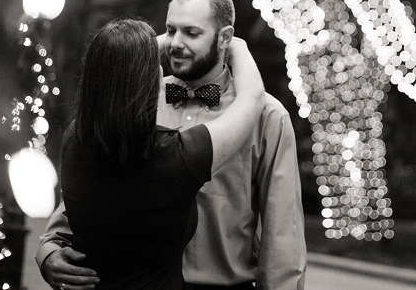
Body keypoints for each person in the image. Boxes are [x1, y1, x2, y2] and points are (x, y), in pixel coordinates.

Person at [37, 0, 307, 290]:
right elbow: (90, 190)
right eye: (171, 30)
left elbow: (283, 233)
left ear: (225, 39)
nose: (176, 43)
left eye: (191, 33)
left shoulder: (267, 117)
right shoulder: (132, 101)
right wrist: (49, 249)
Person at [56, 18, 265, 290]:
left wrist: (143, 46)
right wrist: (235, 45)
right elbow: (252, 99)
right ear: (154, 81)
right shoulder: (177, 158)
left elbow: (114, 70)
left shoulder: (74, 141)